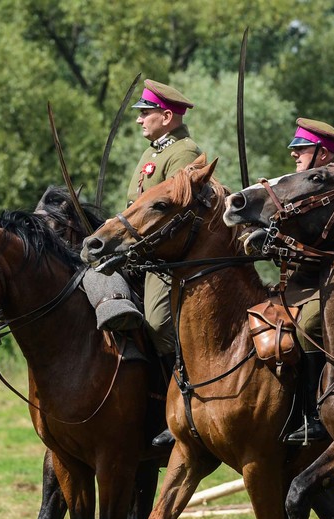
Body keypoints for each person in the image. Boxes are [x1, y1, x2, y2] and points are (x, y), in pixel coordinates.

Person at [127, 79, 202, 448]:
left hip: (167, 261)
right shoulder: (153, 152)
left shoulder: (184, 153)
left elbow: (174, 214)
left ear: (167, 116)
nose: (140, 120)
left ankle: (183, 407)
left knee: (157, 323)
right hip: (136, 252)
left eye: (146, 113)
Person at [281, 118, 334, 444]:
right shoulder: (303, 185)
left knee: (307, 323)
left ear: (323, 154)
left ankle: (314, 417)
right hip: (303, 279)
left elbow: (330, 242)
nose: (295, 154)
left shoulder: (333, 188)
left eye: (302, 149)